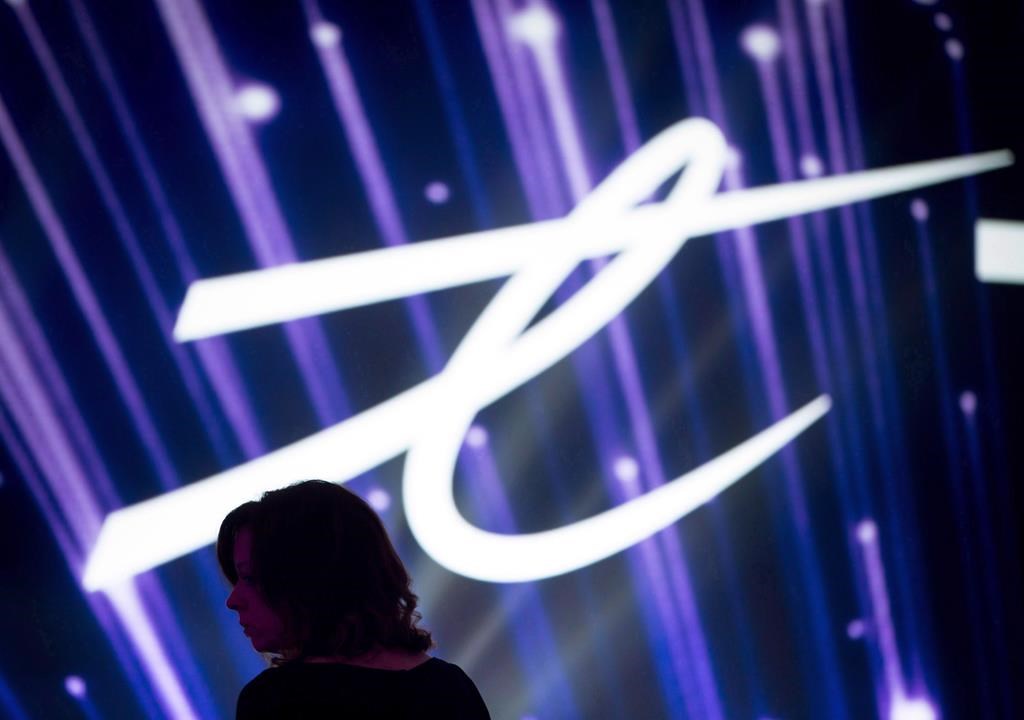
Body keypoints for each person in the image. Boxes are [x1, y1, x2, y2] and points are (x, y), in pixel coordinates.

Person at [217, 479, 491, 718]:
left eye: (251, 578)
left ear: (310, 578)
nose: (233, 600)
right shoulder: (451, 688)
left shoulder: (275, 701)